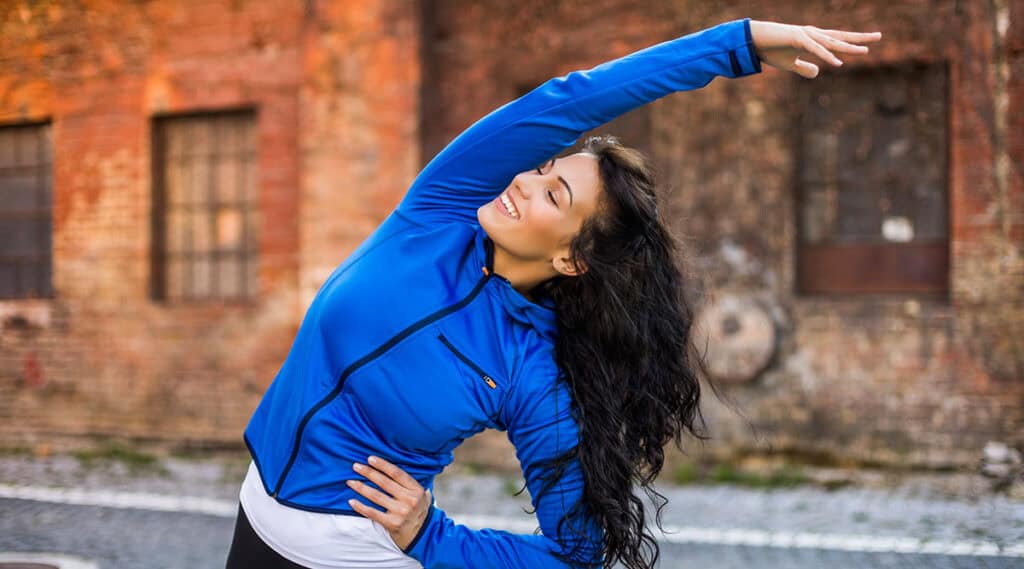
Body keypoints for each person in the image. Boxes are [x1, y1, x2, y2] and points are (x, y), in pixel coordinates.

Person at [225, 16, 881, 569]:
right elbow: (570, 100)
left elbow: (578, 553)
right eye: (540, 168)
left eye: (554, 193)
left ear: (571, 258)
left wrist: (433, 537)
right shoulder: (441, 207)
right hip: (255, 508)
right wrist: (737, 42)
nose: (523, 182)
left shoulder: (533, 371)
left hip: (346, 549)